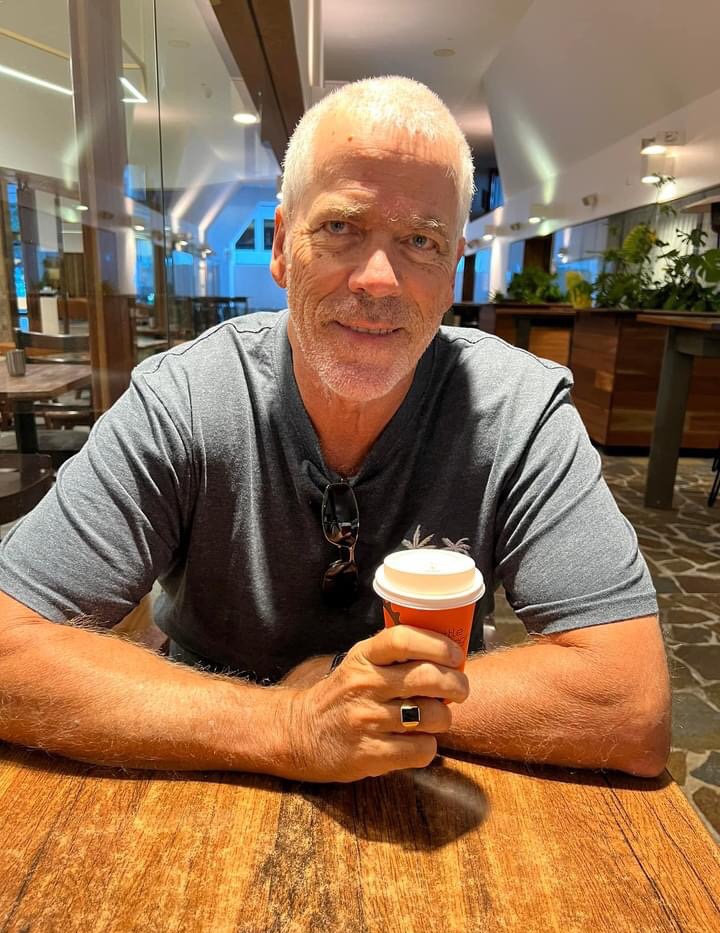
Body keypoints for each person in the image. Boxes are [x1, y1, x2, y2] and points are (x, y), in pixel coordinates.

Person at [0, 77, 670, 783]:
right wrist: (291, 724)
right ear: (282, 247)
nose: (379, 279)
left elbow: (629, 703)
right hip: (207, 762)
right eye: (341, 228)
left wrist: (355, 704)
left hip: (431, 779)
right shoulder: (186, 398)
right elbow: (11, 644)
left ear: (451, 273)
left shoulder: (520, 411)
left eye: (420, 240)